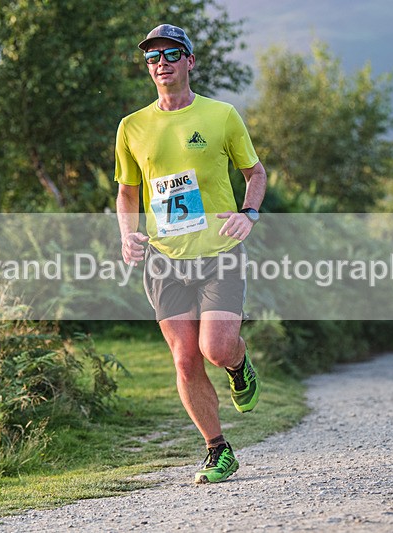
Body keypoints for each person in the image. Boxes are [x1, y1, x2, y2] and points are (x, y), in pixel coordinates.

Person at [114, 23, 267, 484]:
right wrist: (127, 234)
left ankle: (239, 366)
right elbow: (126, 192)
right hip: (163, 258)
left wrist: (249, 213)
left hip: (219, 251)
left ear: (190, 61)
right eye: (152, 56)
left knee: (216, 349)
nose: (161, 62)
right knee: (185, 359)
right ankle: (218, 449)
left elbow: (255, 174)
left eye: (171, 53)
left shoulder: (221, 115)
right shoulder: (133, 127)